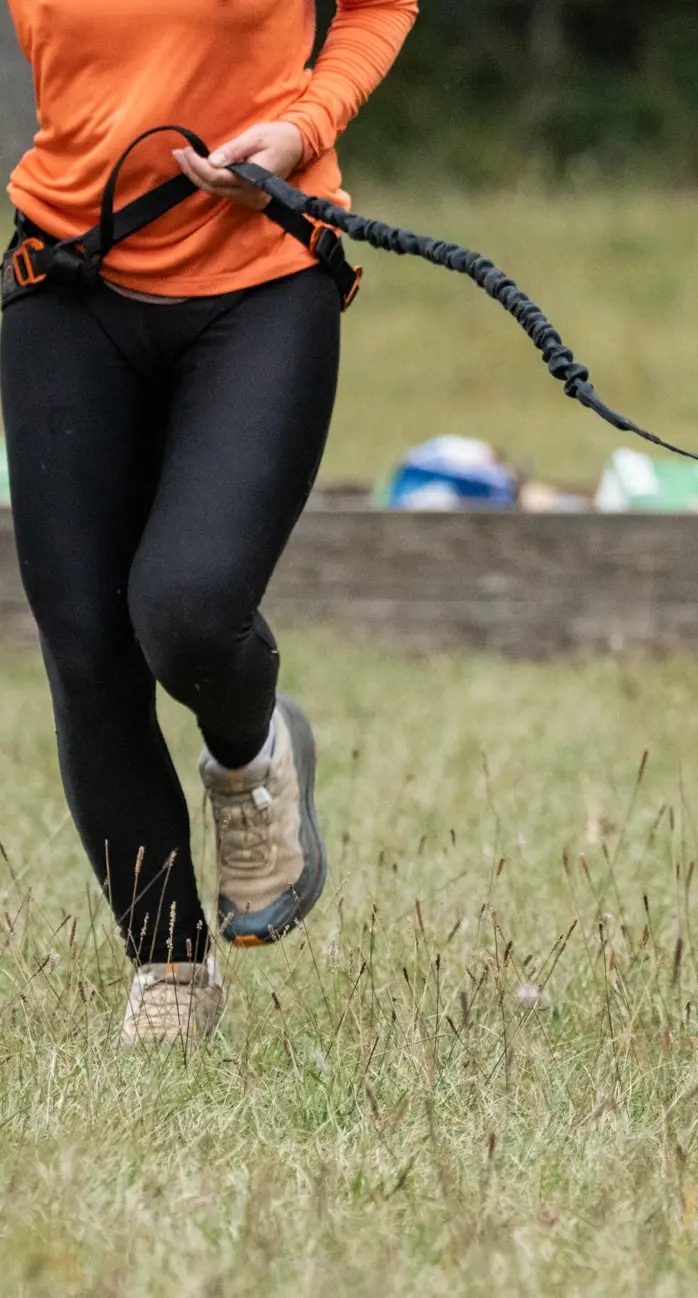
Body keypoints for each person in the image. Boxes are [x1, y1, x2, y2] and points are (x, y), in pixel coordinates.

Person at [3, 0, 417, 1043]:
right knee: (89, 649)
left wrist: (306, 122)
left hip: (262, 272)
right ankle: (169, 968)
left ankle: (251, 751)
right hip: (68, 273)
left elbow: (382, 5)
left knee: (185, 608)